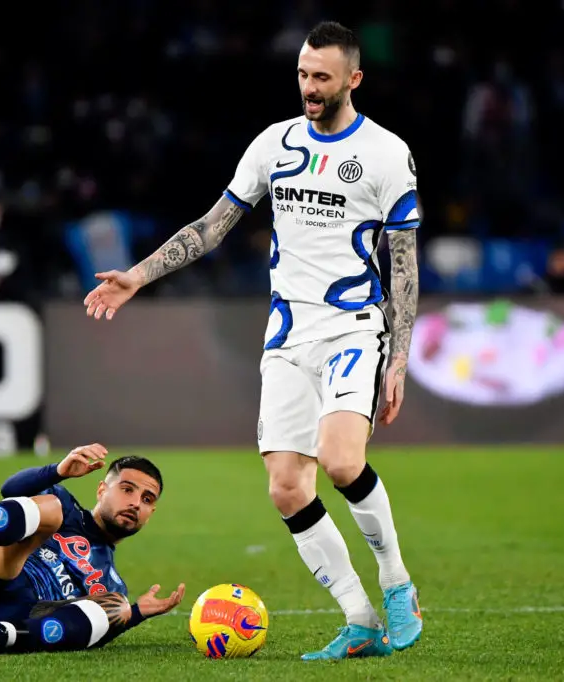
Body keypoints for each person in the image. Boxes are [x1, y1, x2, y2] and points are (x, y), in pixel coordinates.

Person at [82, 21, 422, 661]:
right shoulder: (274, 143)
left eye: (322, 77)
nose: (309, 87)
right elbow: (212, 227)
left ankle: (397, 581)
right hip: (287, 335)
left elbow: (403, 264)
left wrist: (398, 358)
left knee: (341, 462)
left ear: (353, 79)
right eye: (302, 74)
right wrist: (138, 276)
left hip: (352, 326)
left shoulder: (385, 153)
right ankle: (360, 620)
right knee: (287, 487)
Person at [0, 444, 185, 655]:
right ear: (102, 490)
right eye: (127, 489)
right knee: (52, 507)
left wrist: (136, 613)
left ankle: (0, 638)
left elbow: (92, 636)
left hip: (7, 619)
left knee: (118, 605)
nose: (136, 503)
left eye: (146, 499)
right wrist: (57, 471)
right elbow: (10, 489)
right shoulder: (66, 507)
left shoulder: (111, 584)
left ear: (151, 513)